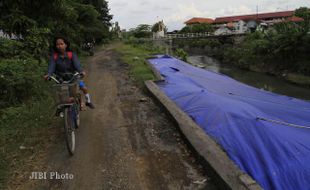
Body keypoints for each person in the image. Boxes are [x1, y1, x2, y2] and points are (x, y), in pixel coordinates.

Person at [44, 36, 95, 109]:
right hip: (60, 79)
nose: (59, 46)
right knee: (61, 95)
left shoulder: (71, 55)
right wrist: (48, 74)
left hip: (73, 77)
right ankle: (60, 108)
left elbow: (77, 64)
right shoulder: (54, 57)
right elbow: (51, 67)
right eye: (57, 44)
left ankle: (88, 101)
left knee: (83, 88)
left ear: (66, 45)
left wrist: (81, 71)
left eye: (61, 44)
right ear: (55, 46)